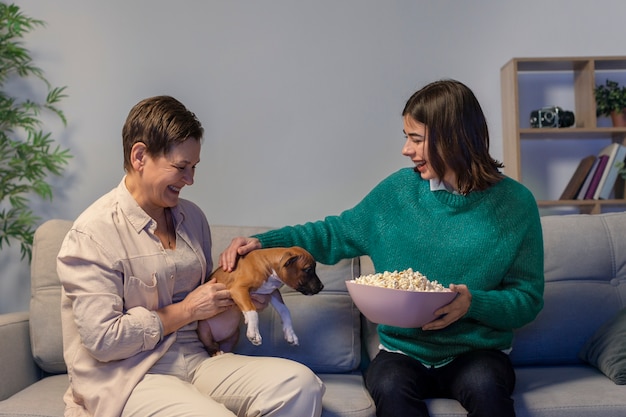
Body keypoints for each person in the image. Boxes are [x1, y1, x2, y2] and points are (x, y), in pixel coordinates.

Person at [219, 80, 544, 417]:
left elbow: (528, 299)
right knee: (390, 388)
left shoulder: (516, 204)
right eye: (407, 138)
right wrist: (263, 242)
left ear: (453, 138)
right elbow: (333, 233)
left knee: (487, 387)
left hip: (479, 353)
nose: (406, 149)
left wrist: (472, 303)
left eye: (416, 139)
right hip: (402, 352)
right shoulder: (396, 193)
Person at [57, 95, 325, 417]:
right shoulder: (92, 235)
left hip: (199, 361)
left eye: (194, 168)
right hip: (132, 375)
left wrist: (241, 302)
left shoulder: (193, 218)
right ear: (140, 156)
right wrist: (186, 310)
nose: (191, 180)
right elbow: (103, 340)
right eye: (181, 167)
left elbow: (211, 311)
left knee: (301, 385)